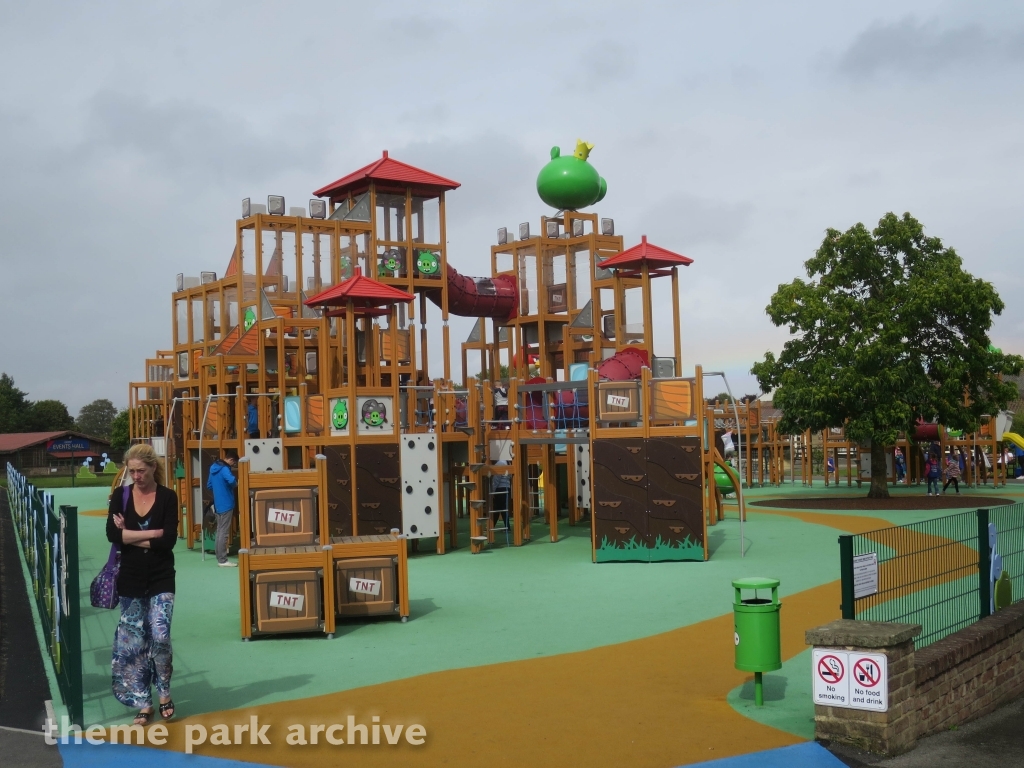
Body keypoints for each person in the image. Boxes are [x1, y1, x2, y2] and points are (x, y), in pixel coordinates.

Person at [106, 443, 179, 725]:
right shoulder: (120, 496)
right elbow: (113, 535)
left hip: (161, 576)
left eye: (141, 471)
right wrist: (153, 533)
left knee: (160, 636)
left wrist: (130, 534)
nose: (136, 476)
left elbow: (168, 541)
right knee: (135, 642)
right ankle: (144, 702)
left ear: (153, 467)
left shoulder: (168, 497)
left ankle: (164, 693)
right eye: (132, 471)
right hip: (130, 577)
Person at [206, 452, 238, 567]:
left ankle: (219, 558)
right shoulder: (225, 469)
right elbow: (232, 481)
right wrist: (232, 485)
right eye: (234, 463)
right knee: (223, 532)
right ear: (231, 460)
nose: (233, 465)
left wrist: (219, 488)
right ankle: (223, 560)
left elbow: (209, 485)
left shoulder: (213, 467)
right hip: (227, 503)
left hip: (218, 504)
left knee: (219, 531)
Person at [491, 459, 511, 529]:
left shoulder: (500, 463)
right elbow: (510, 476)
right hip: (507, 487)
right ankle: (507, 526)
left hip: (500, 488)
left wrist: (492, 491)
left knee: (497, 508)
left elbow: (496, 479)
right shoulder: (508, 463)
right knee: (503, 508)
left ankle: (492, 526)